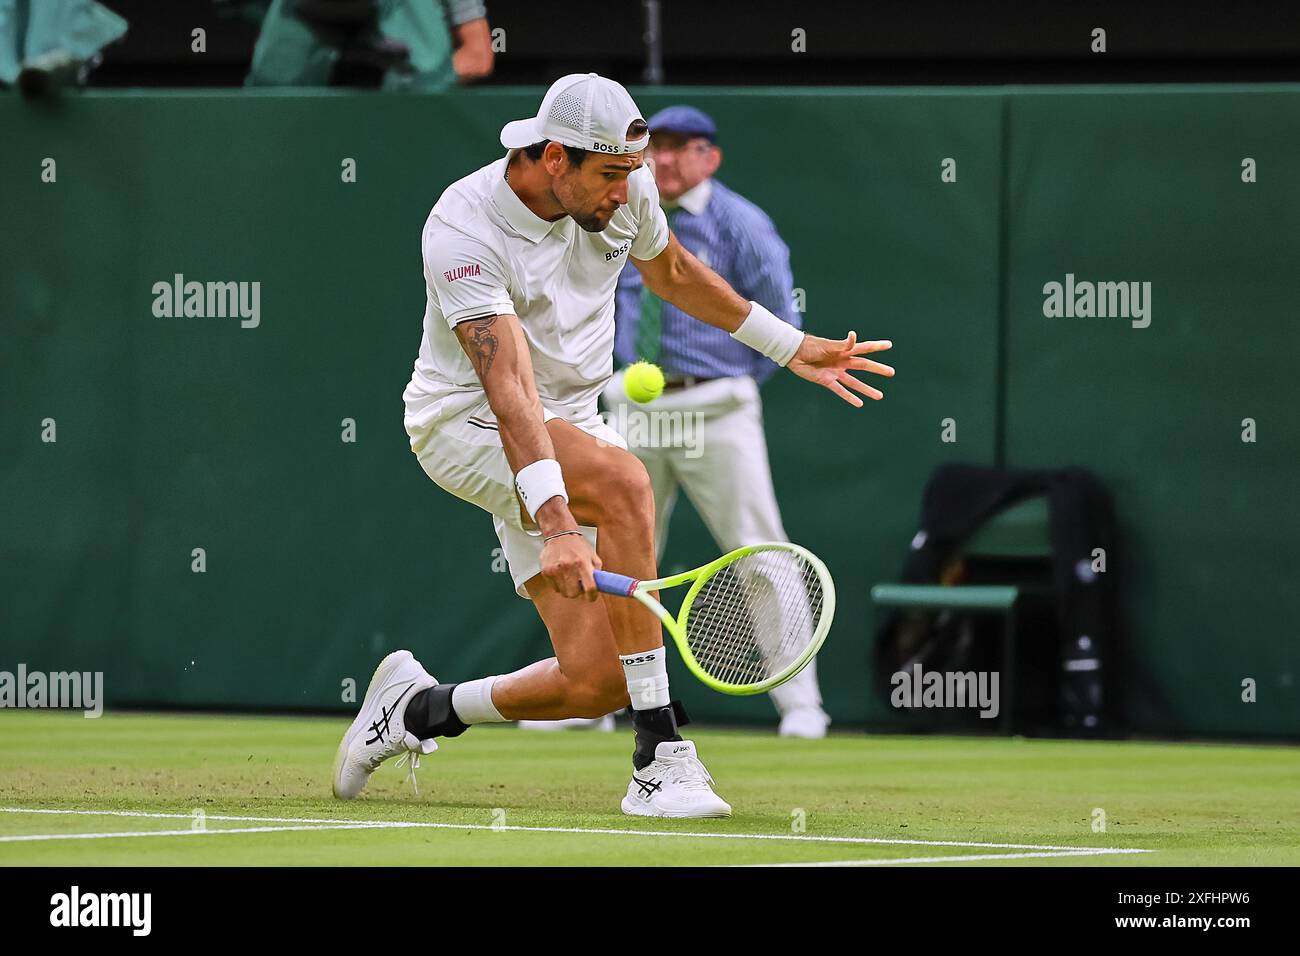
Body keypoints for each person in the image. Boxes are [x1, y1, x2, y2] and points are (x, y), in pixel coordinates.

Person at [332, 73, 894, 817]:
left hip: (570, 420)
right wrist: (559, 521)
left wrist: (788, 346)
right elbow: (507, 389)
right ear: (554, 158)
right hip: (463, 421)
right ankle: (659, 754)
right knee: (627, 482)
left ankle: (415, 710)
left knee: (593, 678)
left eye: (633, 173)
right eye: (610, 175)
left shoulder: (623, 189)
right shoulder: (463, 226)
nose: (626, 192)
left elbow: (673, 272)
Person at [602, 105, 830, 738]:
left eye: (681, 147)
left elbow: (780, 320)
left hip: (717, 408)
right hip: (632, 407)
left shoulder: (743, 225)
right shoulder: (621, 212)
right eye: (657, 147)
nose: (665, 159)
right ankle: (591, 695)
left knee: (759, 552)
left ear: (711, 157)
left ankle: (801, 705)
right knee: (615, 558)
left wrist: (726, 388)